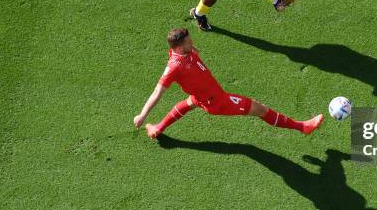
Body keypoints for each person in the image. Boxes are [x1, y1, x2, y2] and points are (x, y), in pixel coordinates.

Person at [134, 28, 323, 138]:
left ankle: (157, 128)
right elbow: (157, 92)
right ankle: (302, 127)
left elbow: (187, 56)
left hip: (201, 97)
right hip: (217, 101)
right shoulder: (174, 67)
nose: (192, 41)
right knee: (261, 109)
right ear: (180, 45)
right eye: (188, 41)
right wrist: (142, 115)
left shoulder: (182, 51)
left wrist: (192, 51)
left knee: (186, 104)